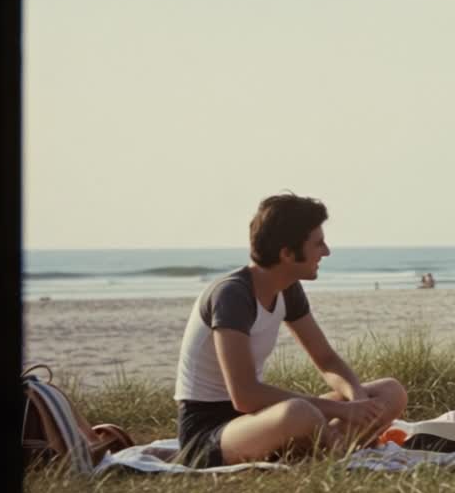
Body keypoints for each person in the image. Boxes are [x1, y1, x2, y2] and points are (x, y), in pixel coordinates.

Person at [174, 193, 408, 468]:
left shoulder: (288, 289)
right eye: (318, 243)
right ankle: (334, 447)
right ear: (287, 253)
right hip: (209, 434)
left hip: (260, 420)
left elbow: (326, 359)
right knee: (300, 413)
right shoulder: (232, 295)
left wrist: (357, 399)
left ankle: (329, 447)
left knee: (390, 392)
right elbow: (245, 395)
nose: (326, 251)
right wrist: (342, 410)